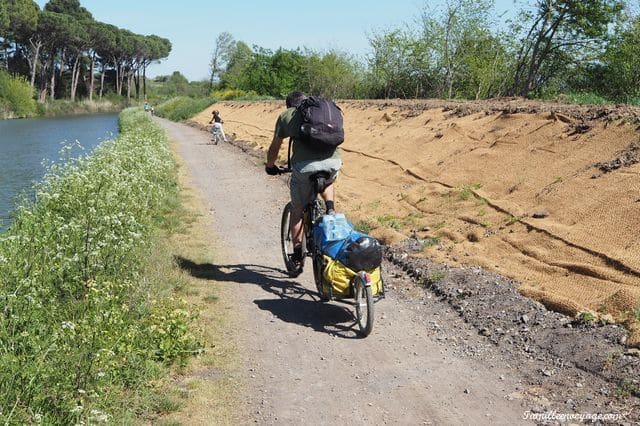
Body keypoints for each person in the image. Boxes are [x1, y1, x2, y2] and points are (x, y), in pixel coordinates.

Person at [265, 91, 342, 274]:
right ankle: (330, 208)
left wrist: (270, 165)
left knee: (297, 209)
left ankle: (298, 257)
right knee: (328, 181)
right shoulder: (324, 111)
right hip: (333, 163)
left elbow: (276, 145)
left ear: (289, 105)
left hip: (304, 167)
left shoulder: (287, 115)